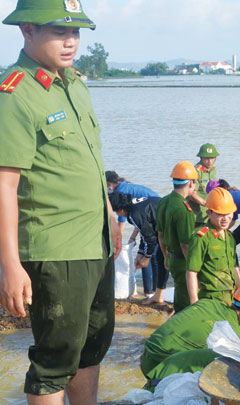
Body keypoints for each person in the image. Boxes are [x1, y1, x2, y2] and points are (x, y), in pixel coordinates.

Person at [0, 1, 120, 402]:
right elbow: (4, 185)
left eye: (76, 32)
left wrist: (111, 216)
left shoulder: (74, 84)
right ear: (27, 31)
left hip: (95, 241)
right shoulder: (15, 94)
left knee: (91, 346)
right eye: (59, 32)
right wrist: (11, 265)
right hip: (56, 248)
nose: (71, 42)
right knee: (55, 359)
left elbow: (90, 161)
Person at [140, 283, 240, 384]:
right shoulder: (233, 335)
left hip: (146, 354)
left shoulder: (209, 302)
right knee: (229, 358)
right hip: (160, 366)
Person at [108, 192, 169, 305]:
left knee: (163, 260)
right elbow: (144, 233)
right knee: (162, 259)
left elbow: (150, 238)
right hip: (163, 225)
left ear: (120, 209)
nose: (117, 214)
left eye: (116, 212)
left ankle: (159, 295)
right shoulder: (133, 206)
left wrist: (147, 257)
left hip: (169, 225)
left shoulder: (134, 214)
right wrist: (140, 253)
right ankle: (158, 295)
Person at [186, 187, 240, 306]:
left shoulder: (229, 237)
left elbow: (233, 265)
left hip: (230, 297)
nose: (225, 218)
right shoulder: (201, 238)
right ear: (209, 213)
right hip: (211, 298)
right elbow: (191, 272)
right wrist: (194, 303)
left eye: (229, 213)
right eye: (220, 214)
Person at [156, 161, 198, 313]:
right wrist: (192, 268)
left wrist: (166, 256)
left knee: (179, 295)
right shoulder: (183, 209)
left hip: (172, 259)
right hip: (183, 261)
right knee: (186, 304)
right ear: (191, 183)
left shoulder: (164, 201)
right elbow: (185, 244)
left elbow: (160, 235)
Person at [188, 143, 219, 226]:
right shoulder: (196, 172)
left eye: (212, 158)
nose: (210, 161)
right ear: (201, 158)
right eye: (207, 158)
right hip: (196, 215)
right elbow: (191, 194)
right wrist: (206, 204)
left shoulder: (213, 169)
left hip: (209, 213)